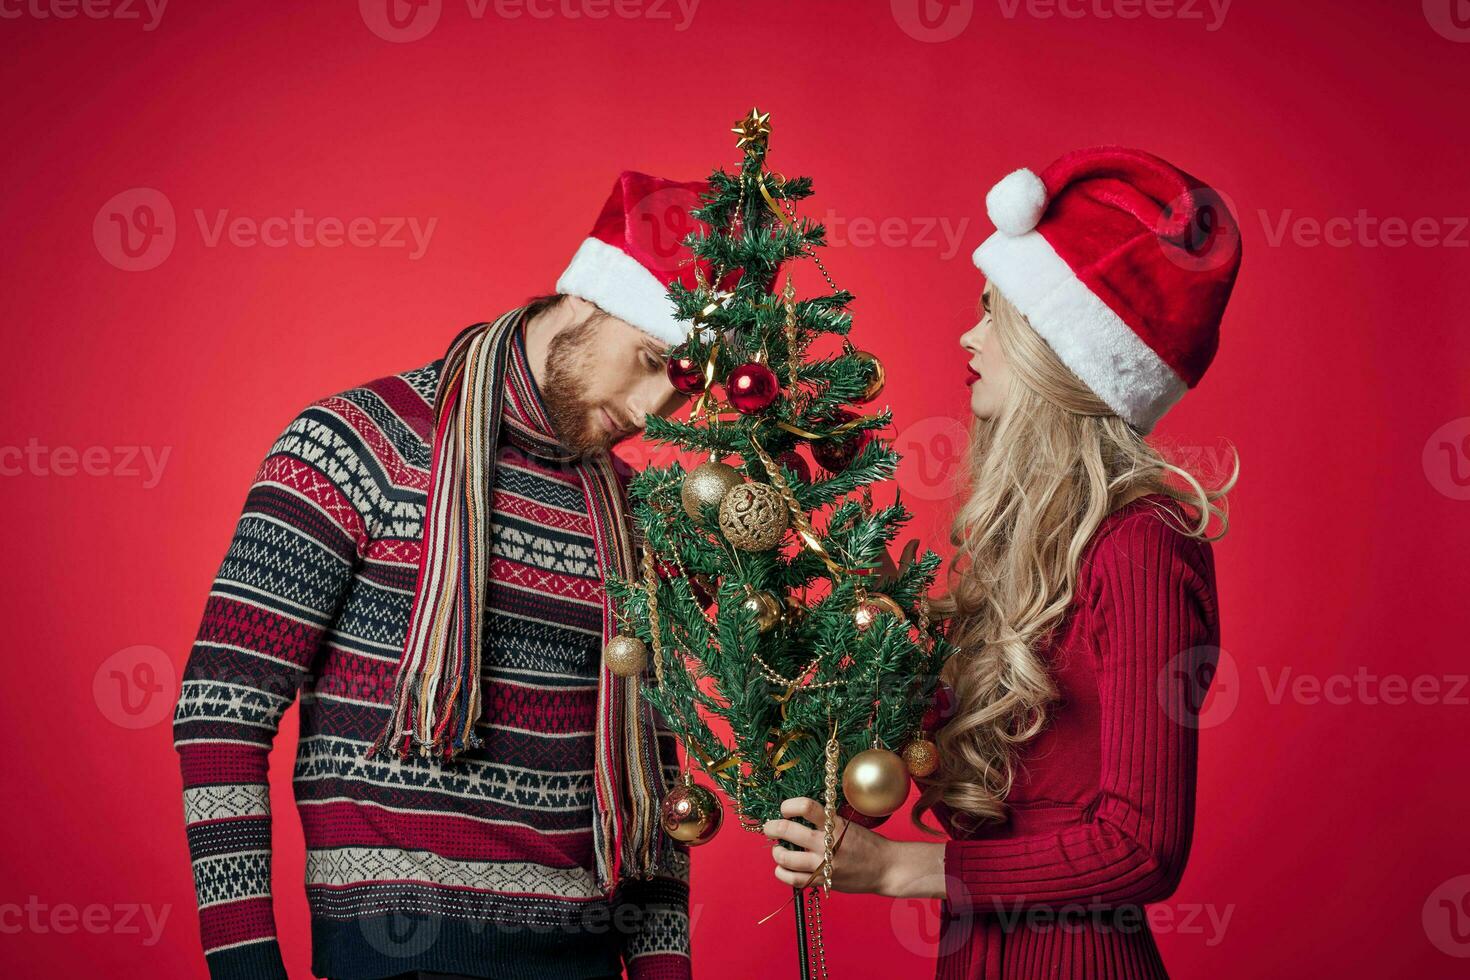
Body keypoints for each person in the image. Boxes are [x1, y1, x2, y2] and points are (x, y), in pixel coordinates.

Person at [173, 171, 721, 980]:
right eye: (647, 362)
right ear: (586, 298)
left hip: (584, 959)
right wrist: (246, 967)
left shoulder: (637, 515)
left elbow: (655, 771)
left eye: (675, 394)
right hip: (395, 960)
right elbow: (221, 712)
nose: (648, 412)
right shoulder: (355, 443)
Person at [762, 146, 1243, 979]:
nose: (968, 334)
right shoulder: (1028, 546)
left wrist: (900, 869)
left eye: (995, 313)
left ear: (1057, 347)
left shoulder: (1142, 541)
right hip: (977, 954)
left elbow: (1141, 847)